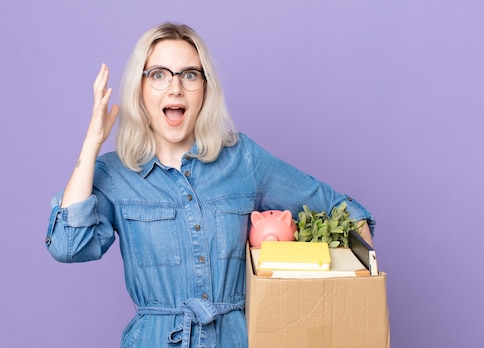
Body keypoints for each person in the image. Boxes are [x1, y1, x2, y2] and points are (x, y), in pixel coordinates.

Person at [45, 22, 375, 348]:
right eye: (159, 74)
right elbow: (68, 244)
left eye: (189, 75)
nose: (175, 88)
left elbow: (342, 212)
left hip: (236, 339)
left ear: (204, 89)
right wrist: (92, 142)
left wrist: (345, 305)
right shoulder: (114, 173)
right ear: (140, 89)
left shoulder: (241, 158)